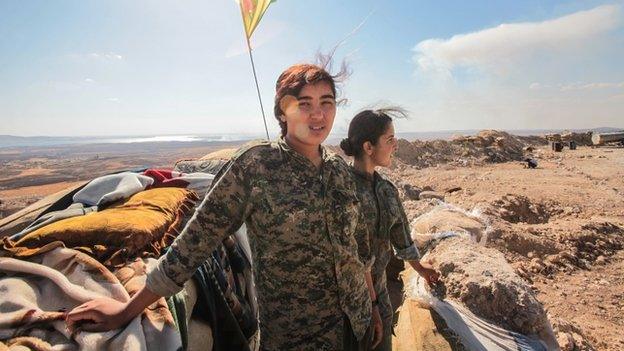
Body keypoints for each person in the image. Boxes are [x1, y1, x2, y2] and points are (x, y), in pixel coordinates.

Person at [66, 63, 383, 350]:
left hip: (355, 327)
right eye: (305, 104)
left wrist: (371, 307)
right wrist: (127, 310)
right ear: (283, 112)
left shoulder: (339, 172)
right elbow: (195, 241)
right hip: (297, 339)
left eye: (326, 103)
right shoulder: (257, 166)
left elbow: (358, 247)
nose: (318, 115)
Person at [340, 108, 440, 351]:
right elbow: (355, 255)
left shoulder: (386, 189)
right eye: (390, 139)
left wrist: (419, 267)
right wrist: (372, 305)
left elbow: (401, 234)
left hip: (380, 293)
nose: (396, 145)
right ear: (368, 147)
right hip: (351, 299)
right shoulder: (344, 190)